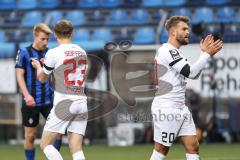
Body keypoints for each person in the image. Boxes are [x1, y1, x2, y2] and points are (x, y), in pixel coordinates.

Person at [150, 16, 223, 160]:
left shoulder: (175, 52)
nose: (188, 32)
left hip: (180, 107)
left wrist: (203, 54)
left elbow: (193, 74)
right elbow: (191, 72)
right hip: (167, 107)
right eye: (183, 29)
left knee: (193, 146)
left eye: (188, 29)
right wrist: (207, 54)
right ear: (172, 31)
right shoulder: (168, 51)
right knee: (161, 150)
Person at [31, 20, 88, 160]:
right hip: (81, 101)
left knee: (45, 144)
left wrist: (39, 67)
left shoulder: (53, 52)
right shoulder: (82, 51)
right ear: (72, 34)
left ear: (55, 35)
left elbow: (43, 78)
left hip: (64, 102)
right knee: (76, 149)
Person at [15, 23, 62, 160]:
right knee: (30, 136)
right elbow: (19, 75)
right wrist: (27, 95)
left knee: (58, 133)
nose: (45, 42)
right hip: (31, 102)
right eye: (42, 39)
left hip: (48, 100)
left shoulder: (50, 53)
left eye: (47, 39)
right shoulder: (23, 52)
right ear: (35, 36)